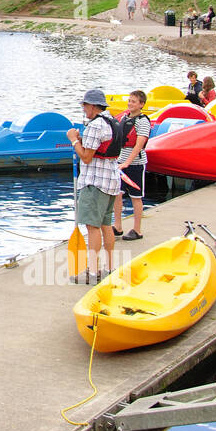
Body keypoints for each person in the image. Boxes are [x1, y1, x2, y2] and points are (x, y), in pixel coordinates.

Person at [67, 88, 122, 284]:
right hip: (111, 181)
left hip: (95, 182)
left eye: (84, 105)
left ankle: (93, 270)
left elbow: (87, 157)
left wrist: (74, 140)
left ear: (92, 106)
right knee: (106, 225)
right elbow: (100, 149)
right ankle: (109, 266)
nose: (83, 109)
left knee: (92, 227)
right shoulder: (113, 122)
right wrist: (82, 141)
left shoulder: (95, 125)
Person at [112, 89, 150, 242]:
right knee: (117, 194)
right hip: (120, 162)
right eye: (129, 101)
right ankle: (118, 226)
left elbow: (139, 144)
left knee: (136, 196)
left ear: (141, 104)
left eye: (134, 101)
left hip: (135, 164)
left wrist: (128, 162)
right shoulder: (124, 118)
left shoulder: (143, 121)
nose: (130, 103)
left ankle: (137, 230)